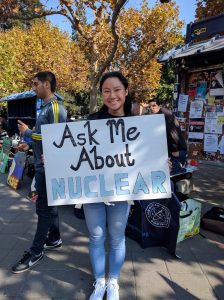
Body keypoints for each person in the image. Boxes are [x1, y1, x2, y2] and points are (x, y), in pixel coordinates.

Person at [11, 71, 67, 274]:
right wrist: (29, 145)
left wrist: (27, 133)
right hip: (43, 165)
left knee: (43, 208)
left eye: (35, 83)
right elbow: (43, 137)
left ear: (46, 84)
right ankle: (54, 238)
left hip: (50, 167)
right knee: (47, 206)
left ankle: (36, 252)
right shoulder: (45, 107)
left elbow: (57, 138)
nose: (33, 87)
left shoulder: (54, 107)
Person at [84, 71, 132, 300]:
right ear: (101, 94)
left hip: (121, 191)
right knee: (95, 237)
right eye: (106, 91)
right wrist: (55, 161)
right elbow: (75, 154)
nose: (112, 95)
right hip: (93, 190)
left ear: (125, 92)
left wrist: (161, 162)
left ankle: (113, 281)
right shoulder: (91, 121)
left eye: (117, 90)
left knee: (117, 237)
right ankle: (99, 282)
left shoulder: (138, 124)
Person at [148, 98, 187, 167]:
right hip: (173, 151)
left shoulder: (164, 114)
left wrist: (174, 150)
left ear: (159, 105)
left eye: (154, 105)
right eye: (150, 106)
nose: (151, 108)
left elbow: (172, 132)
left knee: (174, 175)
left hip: (176, 151)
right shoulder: (159, 114)